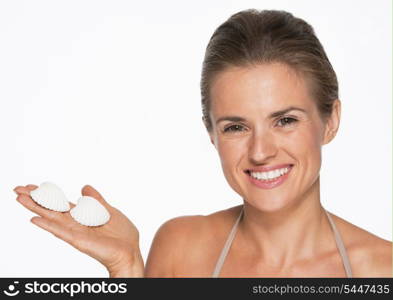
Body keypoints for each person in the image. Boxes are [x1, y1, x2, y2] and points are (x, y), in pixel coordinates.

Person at [14, 9, 392, 277]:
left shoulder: (382, 270)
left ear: (331, 121)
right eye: (235, 127)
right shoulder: (180, 249)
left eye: (285, 120)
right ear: (211, 133)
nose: (261, 151)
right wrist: (127, 267)